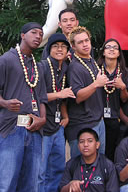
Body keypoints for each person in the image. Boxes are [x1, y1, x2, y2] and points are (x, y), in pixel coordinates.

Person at [0, 22, 47, 192]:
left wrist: (42, 120)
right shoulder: (7, 59)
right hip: (12, 128)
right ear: (22, 35)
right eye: (34, 32)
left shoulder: (38, 66)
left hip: (34, 130)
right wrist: (5, 103)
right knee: (7, 182)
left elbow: (42, 98)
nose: (38, 36)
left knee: (30, 184)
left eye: (41, 34)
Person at [38, 33, 76, 192]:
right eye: (55, 46)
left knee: (58, 168)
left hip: (58, 126)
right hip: (43, 127)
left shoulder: (65, 68)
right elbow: (37, 95)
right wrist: (59, 95)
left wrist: (65, 115)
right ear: (49, 49)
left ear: (68, 50)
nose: (59, 49)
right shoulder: (43, 66)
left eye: (63, 46)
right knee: (41, 171)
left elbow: (65, 98)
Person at [65, 26, 108, 158]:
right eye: (80, 42)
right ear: (73, 46)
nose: (85, 44)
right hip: (82, 125)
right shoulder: (74, 67)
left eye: (86, 40)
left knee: (98, 165)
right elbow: (78, 97)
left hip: (98, 121)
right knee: (82, 168)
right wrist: (96, 84)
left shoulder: (91, 61)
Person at [97, 38, 128, 161]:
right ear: (103, 52)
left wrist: (123, 87)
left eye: (115, 47)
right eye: (108, 47)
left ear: (119, 53)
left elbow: (125, 99)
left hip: (115, 117)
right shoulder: (96, 69)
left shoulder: (125, 73)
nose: (111, 49)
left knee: (111, 151)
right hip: (98, 116)